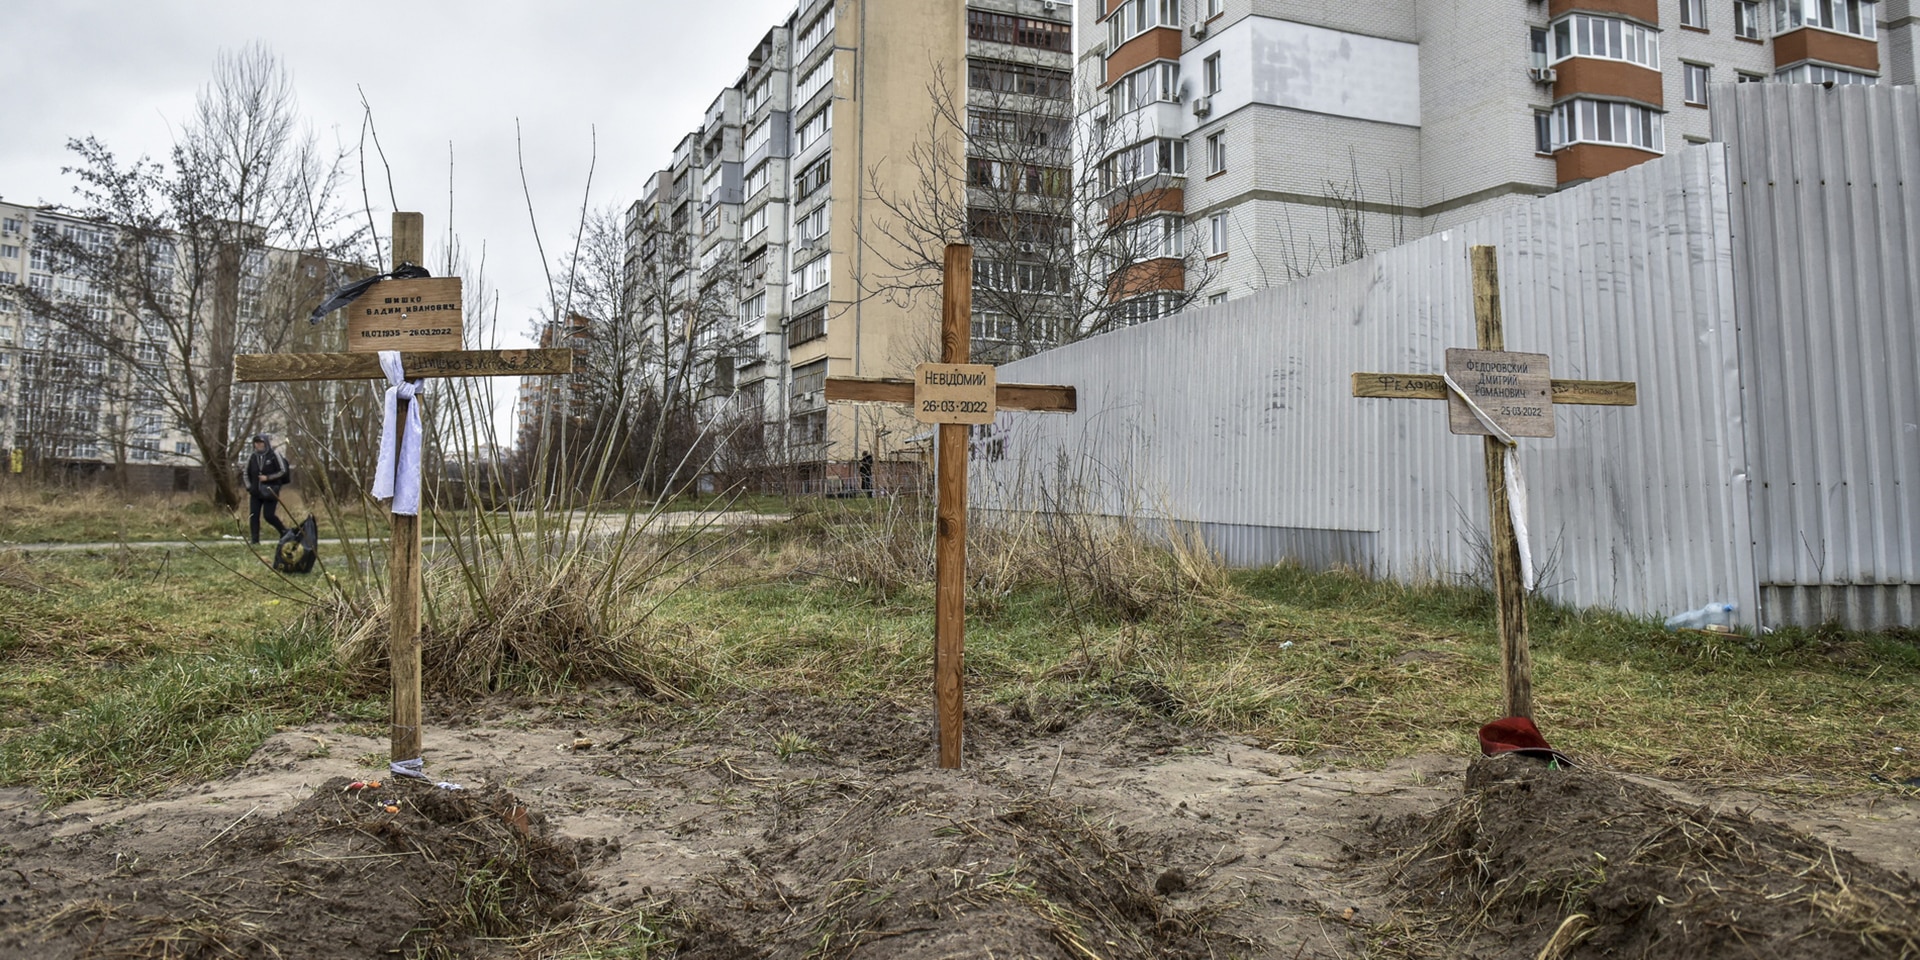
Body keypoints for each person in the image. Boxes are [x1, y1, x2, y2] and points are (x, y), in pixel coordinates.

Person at [244, 434, 290, 544]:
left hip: (270, 490)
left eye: (261, 442)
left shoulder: (274, 454)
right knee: (254, 516)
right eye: (256, 443)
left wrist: (268, 478)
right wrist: (249, 487)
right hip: (255, 491)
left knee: (268, 516)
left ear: (265, 443)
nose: (258, 445)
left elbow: (282, 471)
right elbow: (246, 473)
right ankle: (255, 541)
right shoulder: (252, 457)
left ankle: (284, 532)